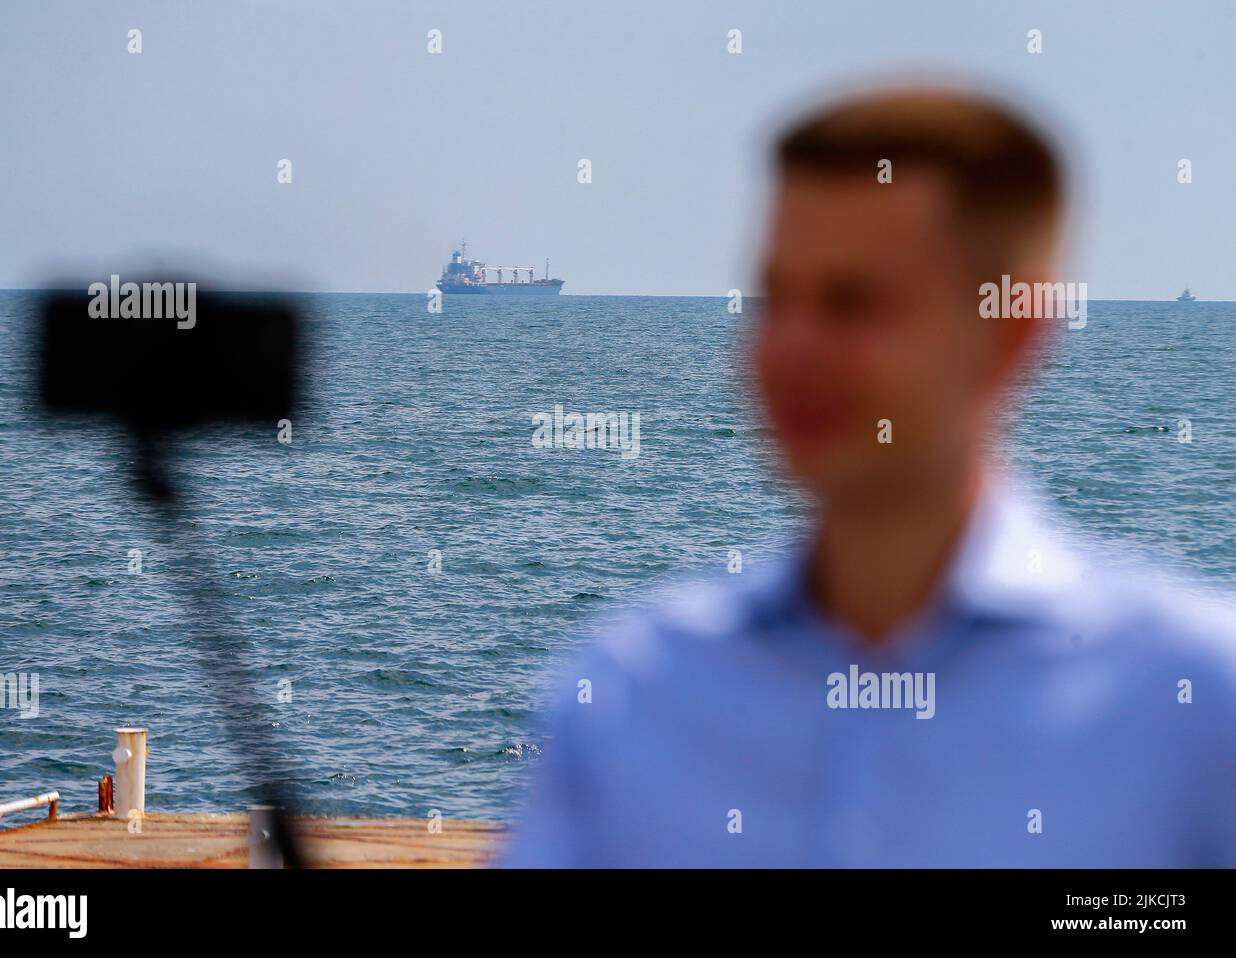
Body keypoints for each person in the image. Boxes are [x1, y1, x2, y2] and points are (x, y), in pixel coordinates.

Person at [501, 86, 1236, 867]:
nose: (788, 349)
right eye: (774, 299)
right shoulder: (628, 698)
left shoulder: (1197, 708)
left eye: (853, 304)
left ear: (1012, 335)